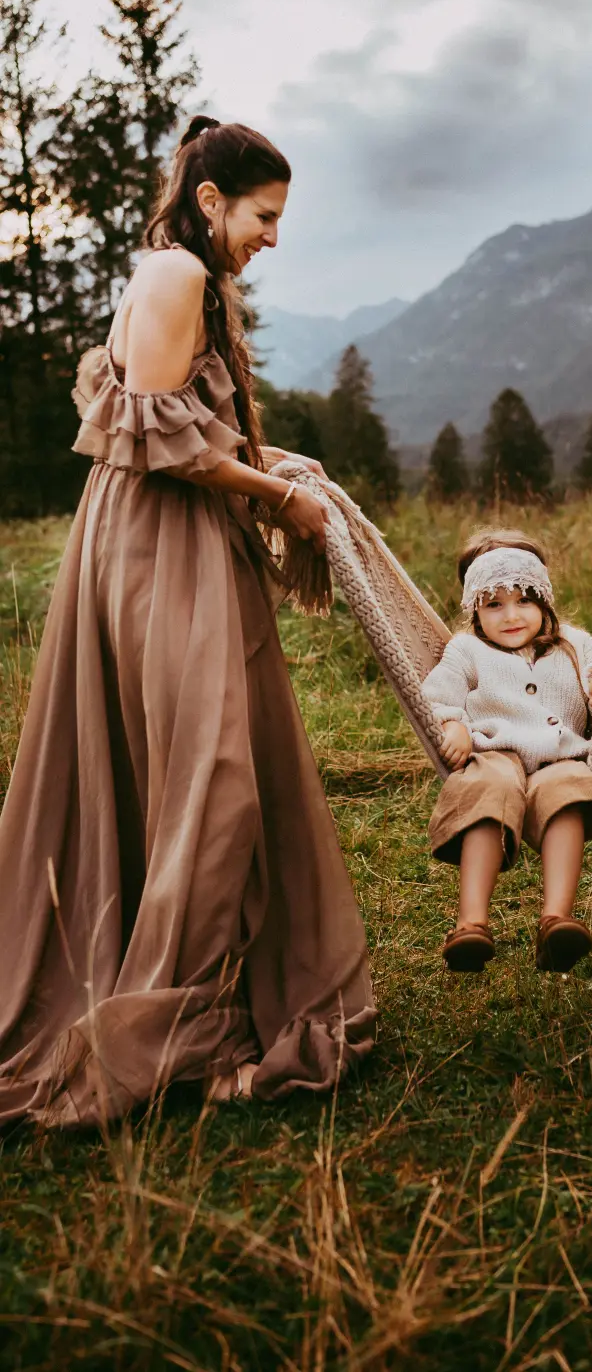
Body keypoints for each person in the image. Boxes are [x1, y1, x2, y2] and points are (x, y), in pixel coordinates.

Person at [0, 116, 375, 1125]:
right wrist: (276, 497)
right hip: (159, 550)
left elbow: (187, 420)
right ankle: (179, 1038)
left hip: (181, 544)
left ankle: (198, 1007)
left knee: (198, 769)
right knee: (210, 782)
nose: (272, 237)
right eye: (264, 215)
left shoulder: (183, 277)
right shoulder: (175, 277)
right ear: (211, 202)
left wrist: (275, 466)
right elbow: (164, 447)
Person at [422, 531, 592, 974]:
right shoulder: (466, 649)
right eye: (494, 604)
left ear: (545, 601)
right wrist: (453, 723)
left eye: (524, 600)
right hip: (493, 754)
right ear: (474, 606)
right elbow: (438, 693)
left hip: (559, 757)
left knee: (568, 795)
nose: (511, 615)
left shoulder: (572, 642)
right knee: (486, 791)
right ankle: (471, 923)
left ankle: (557, 920)